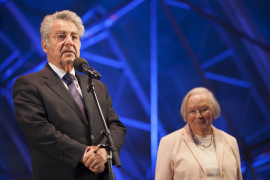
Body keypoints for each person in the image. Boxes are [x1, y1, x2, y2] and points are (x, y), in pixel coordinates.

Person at [13, 10, 127, 180]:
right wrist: (84, 154)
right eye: (61, 36)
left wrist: (105, 152)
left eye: (74, 37)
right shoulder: (29, 84)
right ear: (45, 45)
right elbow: (40, 132)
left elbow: (116, 126)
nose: (69, 42)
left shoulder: (97, 85)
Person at [155, 87, 242, 180]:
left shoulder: (230, 141)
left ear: (213, 110)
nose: (198, 116)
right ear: (186, 114)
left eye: (203, 109)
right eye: (192, 111)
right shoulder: (169, 143)